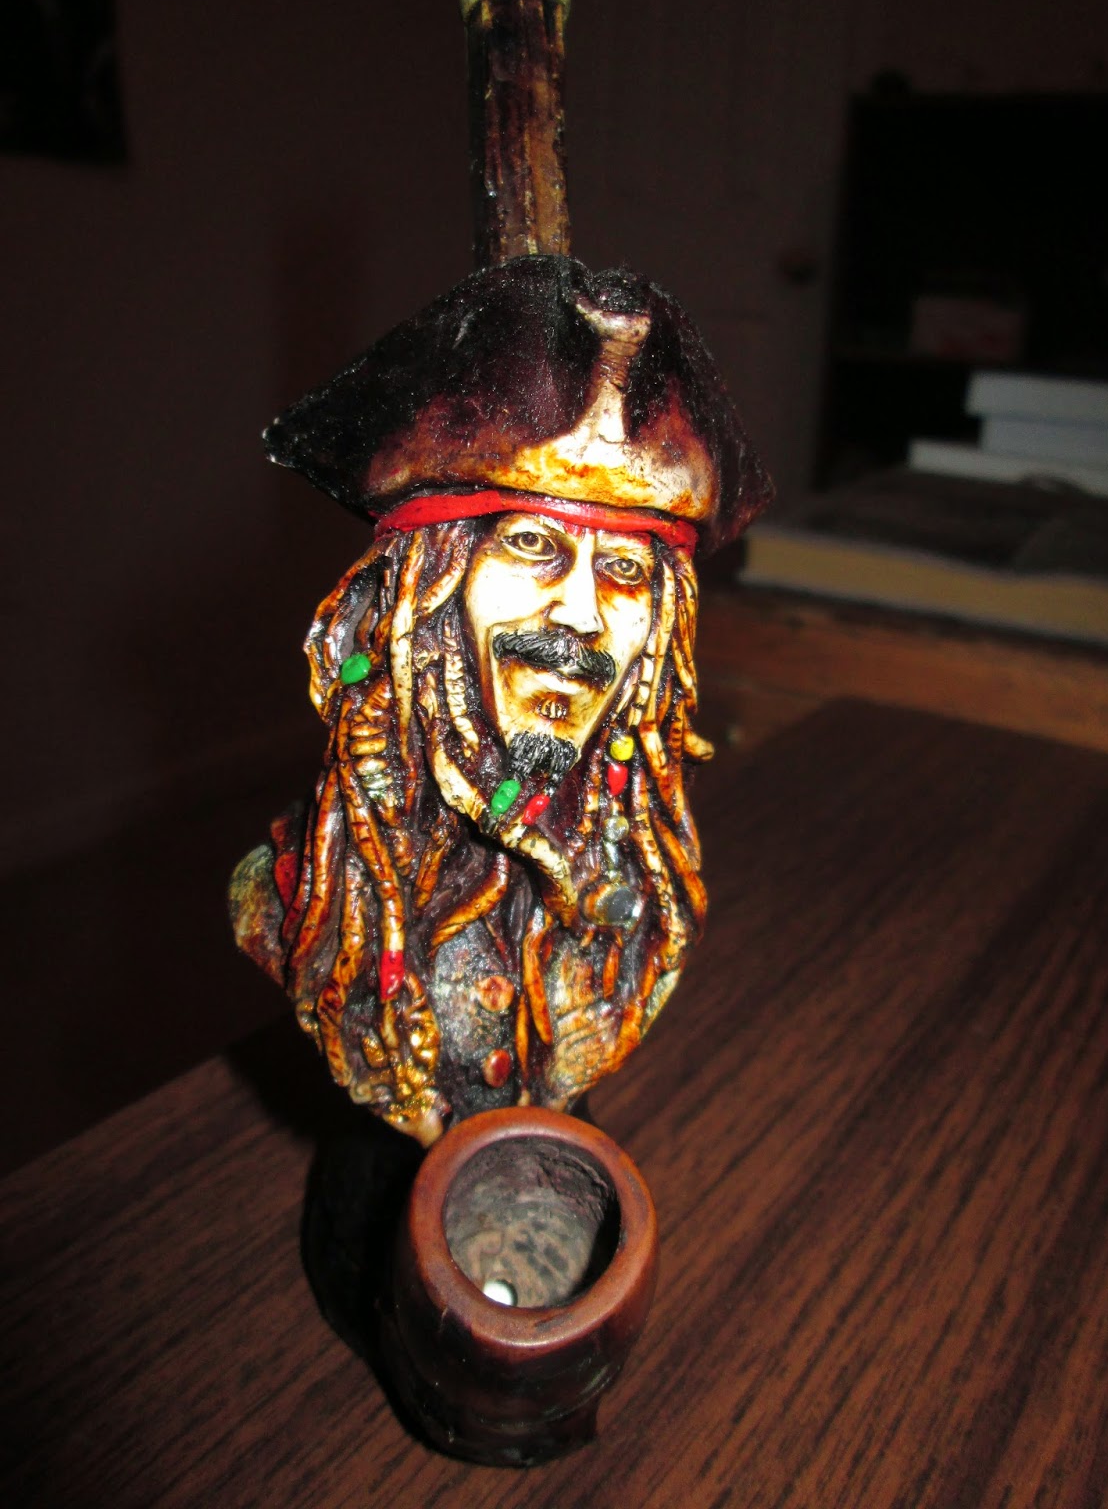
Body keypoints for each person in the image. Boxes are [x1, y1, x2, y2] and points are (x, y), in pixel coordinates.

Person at [230, 254, 772, 1145]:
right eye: (530, 546)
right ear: (429, 597)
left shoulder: (651, 891)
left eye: (624, 569)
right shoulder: (295, 897)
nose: (583, 614)